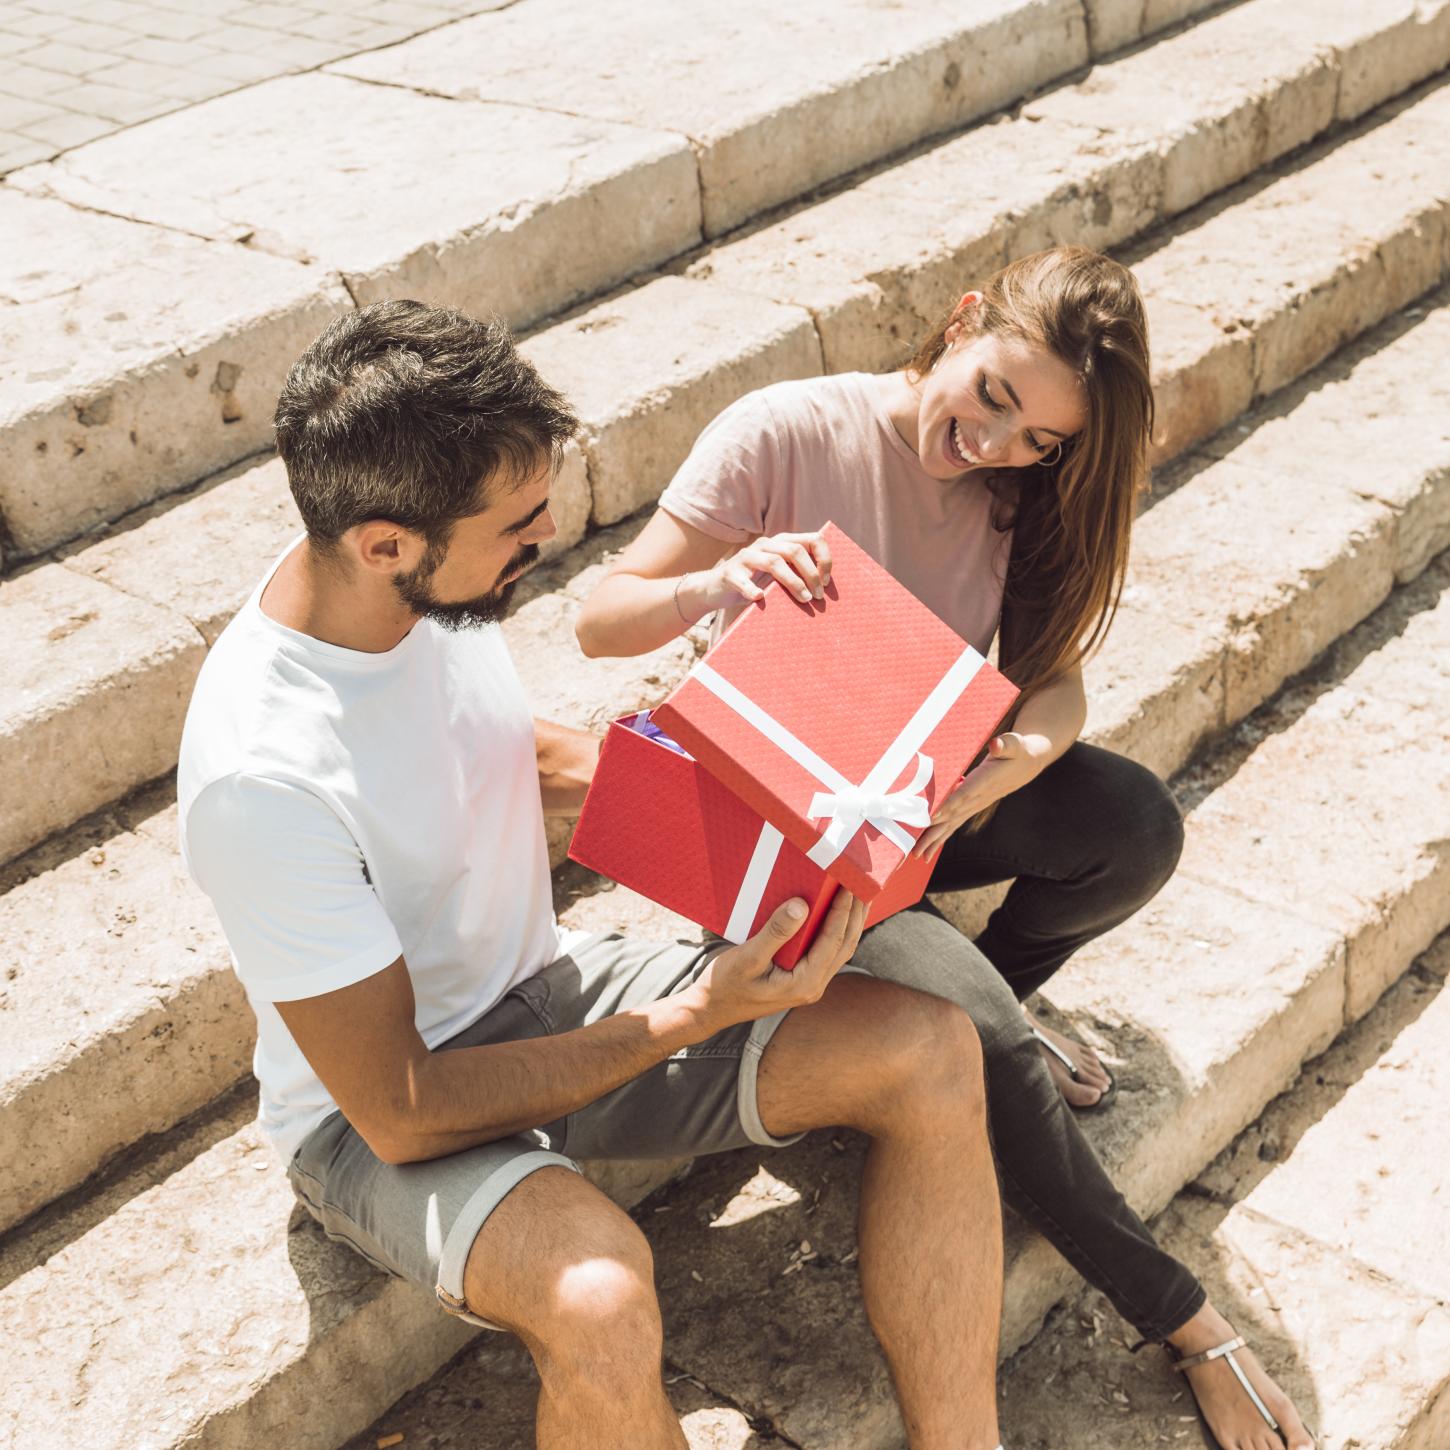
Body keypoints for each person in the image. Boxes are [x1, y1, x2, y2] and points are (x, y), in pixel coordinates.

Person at [177, 300, 1010, 1450]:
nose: (550, 533)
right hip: (375, 1121)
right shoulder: (260, 779)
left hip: (541, 984)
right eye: (519, 522)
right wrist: (693, 1013)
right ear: (385, 542)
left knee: (928, 1048)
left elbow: (515, 754)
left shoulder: (408, 586)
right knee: (602, 1294)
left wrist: (821, 811)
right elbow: (404, 1109)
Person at [574, 247, 1315, 1450]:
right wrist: (723, 578)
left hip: (921, 820)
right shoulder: (786, 428)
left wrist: (1015, 758)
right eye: (993, 395)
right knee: (990, 1061)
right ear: (962, 319)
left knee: (1131, 825)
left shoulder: (1016, 501)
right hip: (775, 846)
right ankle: (1183, 1319)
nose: (993, 443)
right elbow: (599, 616)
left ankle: (994, 998)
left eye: (1035, 438)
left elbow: (1058, 687)